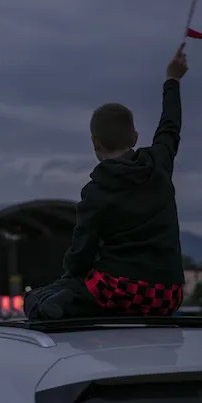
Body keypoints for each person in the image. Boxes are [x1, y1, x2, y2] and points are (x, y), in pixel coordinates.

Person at [44, 45, 189, 319]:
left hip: (117, 291)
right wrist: (173, 79)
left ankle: (61, 304)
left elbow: (81, 252)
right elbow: (171, 125)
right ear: (134, 138)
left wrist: (68, 282)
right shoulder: (159, 162)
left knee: (39, 297)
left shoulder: (95, 192)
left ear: (94, 142)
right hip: (169, 296)